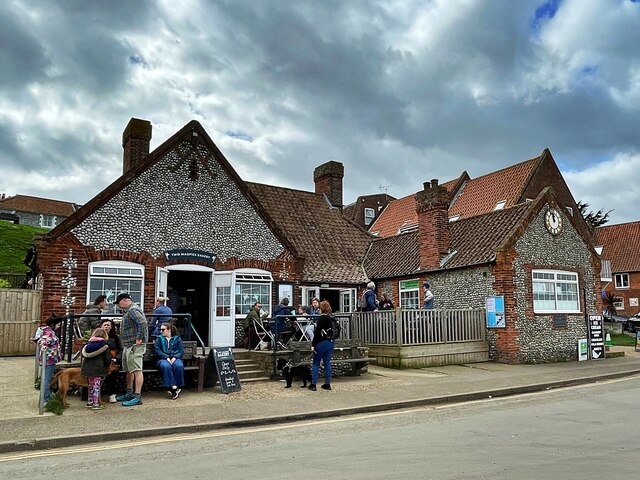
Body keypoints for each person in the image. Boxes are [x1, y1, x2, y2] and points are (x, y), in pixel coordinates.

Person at [114, 293, 148, 406]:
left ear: (124, 300)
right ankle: (129, 392)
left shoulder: (133, 310)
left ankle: (137, 396)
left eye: (118, 303)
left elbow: (142, 322)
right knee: (128, 369)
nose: (118, 306)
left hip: (135, 345)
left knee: (137, 369)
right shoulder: (129, 311)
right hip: (128, 344)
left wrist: (139, 338)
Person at [32, 315, 62, 403]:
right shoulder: (49, 332)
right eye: (58, 324)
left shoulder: (47, 331)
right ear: (53, 324)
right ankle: (46, 399)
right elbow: (44, 341)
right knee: (46, 380)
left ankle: (46, 397)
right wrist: (44, 346)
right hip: (49, 359)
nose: (59, 326)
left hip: (50, 358)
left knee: (46, 379)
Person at [81, 328, 112, 411]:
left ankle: (90, 402)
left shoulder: (88, 346)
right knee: (96, 386)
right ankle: (95, 404)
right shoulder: (104, 346)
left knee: (90, 385)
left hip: (87, 369)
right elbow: (107, 359)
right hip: (98, 369)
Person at [308, 300, 335, 392]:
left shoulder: (321, 319)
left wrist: (313, 344)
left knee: (316, 363)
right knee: (327, 363)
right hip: (330, 342)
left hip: (321, 343)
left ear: (321, 308)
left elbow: (317, 333)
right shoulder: (331, 318)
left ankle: (313, 384)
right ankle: (327, 384)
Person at [154, 323, 184, 399]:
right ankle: (172, 388)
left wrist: (174, 357)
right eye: (160, 329)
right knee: (166, 366)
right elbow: (157, 351)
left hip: (175, 357)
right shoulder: (159, 339)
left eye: (163, 329)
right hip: (162, 358)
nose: (161, 331)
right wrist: (166, 357)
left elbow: (181, 351)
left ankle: (177, 386)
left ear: (169, 330)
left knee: (179, 366)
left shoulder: (177, 339)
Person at [99, 319, 122, 403]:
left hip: (113, 360)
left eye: (108, 325)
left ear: (111, 327)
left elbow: (120, 349)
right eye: (104, 325)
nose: (106, 327)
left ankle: (112, 394)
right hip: (100, 361)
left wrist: (117, 358)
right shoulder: (97, 337)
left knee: (112, 374)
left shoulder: (115, 337)